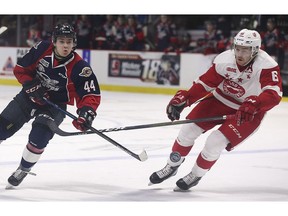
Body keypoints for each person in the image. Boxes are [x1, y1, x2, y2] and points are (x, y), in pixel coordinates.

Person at [149, 28, 283, 191]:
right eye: (238, 49)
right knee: (187, 130)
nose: (240, 54)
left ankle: (196, 174)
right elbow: (205, 83)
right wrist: (185, 98)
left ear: (255, 50)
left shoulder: (267, 65)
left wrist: (255, 103)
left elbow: (273, 94)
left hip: (248, 111)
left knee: (215, 142)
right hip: (220, 100)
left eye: (245, 50)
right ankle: (172, 165)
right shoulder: (225, 60)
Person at [0, 23, 101, 189]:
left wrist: (86, 113)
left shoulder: (80, 67)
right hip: (27, 98)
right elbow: (21, 69)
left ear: (74, 43)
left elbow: (90, 95)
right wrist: (31, 85)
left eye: (69, 42)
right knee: (2, 127)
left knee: (39, 136)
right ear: (54, 41)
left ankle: (24, 169)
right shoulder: (42, 48)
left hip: (54, 106)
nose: (66, 45)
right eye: (62, 41)